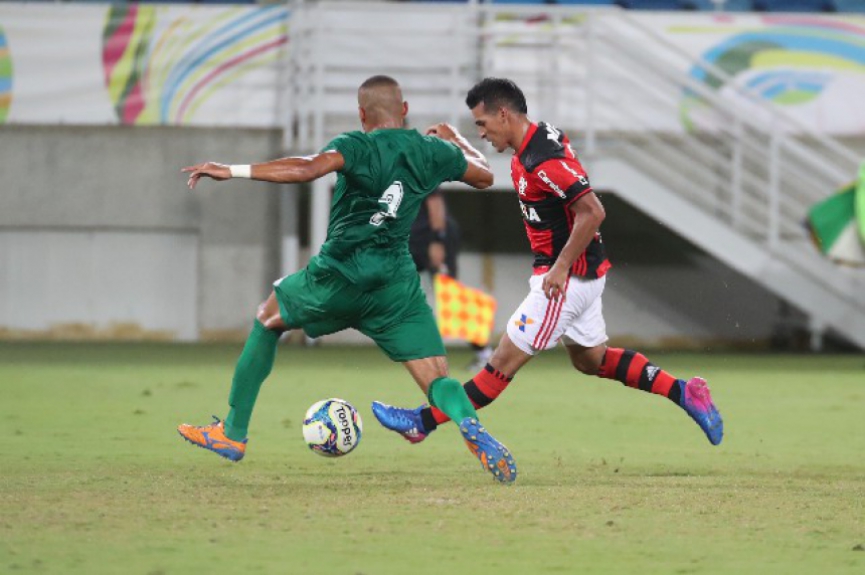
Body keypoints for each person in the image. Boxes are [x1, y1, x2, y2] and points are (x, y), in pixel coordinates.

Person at [176, 75, 517, 483]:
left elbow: (306, 169)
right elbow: (485, 176)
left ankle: (232, 432)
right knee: (437, 378)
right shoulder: (431, 150)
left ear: (361, 114)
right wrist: (456, 138)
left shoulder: (355, 144)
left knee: (268, 318)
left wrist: (231, 170)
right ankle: (469, 427)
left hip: (338, 276)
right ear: (404, 111)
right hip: (394, 286)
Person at [372, 77, 724, 447]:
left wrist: (559, 268)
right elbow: (493, 177)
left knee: (500, 365)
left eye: (481, 123)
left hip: (563, 281)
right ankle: (686, 392)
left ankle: (422, 422)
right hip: (578, 275)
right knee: (591, 360)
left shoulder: (543, 161)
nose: (481, 133)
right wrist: (455, 141)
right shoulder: (534, 141)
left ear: (504, 115)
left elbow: (593, 211)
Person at [409, 190, 494, 371]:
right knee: (397, 288)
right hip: (411, 241)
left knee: (451, 296)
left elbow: (435, 202)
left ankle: (486, 354)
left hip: (433, 240)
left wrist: (437, 241)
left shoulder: (417, 166)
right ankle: (418, 349)